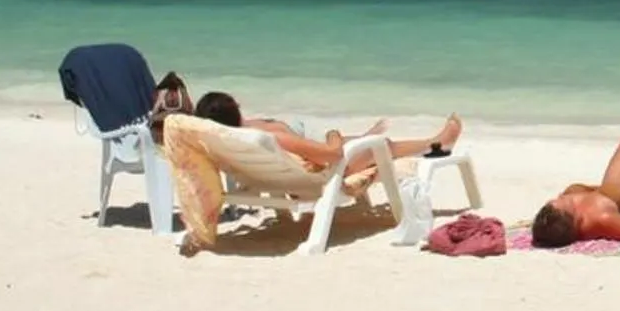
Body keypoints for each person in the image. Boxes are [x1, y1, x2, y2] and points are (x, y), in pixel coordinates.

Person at [191, 90, 462, 174]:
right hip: (325, 171)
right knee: (382, 145)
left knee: (367, 143)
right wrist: (333, 133)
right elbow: (331, 155)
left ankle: (367, 138)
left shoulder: (222, 139)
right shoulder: (267, 138)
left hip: (284, 171)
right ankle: (437, 144)